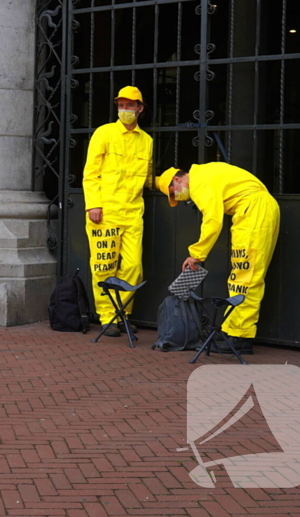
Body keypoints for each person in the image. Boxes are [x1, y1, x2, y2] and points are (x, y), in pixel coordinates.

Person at [155, 163, 281, 355]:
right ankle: (232, 330)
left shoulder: (199, 182)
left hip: (253, 212)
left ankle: (240, 337)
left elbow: (212, 220)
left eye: (173, 192)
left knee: (245, 277)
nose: (177, 198)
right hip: (258, 209)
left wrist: (197, 254)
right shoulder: (207, 172)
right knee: (244, 275)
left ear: (177, 179)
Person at [82, 85, 153, 337]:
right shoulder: (104, 133)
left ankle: (122, 312)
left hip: (133, 212)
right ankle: (107, 317)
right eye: (121, 105)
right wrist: (93, 204)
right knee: (104, 266)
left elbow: (149, 177)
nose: (124, 109)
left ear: (140, 108)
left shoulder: (147, 141)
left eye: (130, 105)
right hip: (105, 211)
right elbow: (90, 172)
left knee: (134, 266)